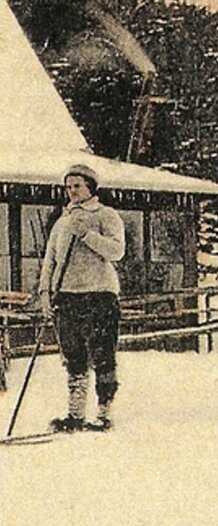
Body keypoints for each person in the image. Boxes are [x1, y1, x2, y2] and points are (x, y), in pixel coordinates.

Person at [39, 164, 125, 431]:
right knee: (73, 357)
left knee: (102, 355)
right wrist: (45, 293)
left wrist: (87, 235)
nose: (72, 191)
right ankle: (75, 414)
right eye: (68, 187)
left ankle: (103, 414)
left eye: (77, 186)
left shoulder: (105, 215)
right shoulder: (62, 222)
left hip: (99, 295)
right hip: (67, 297)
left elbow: (117, 251)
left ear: (91, 187)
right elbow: (50, 260)